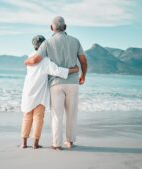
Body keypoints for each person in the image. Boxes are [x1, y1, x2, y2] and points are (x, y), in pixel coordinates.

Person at [24, 16, 88, 150]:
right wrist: (83, 75)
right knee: (72, 113)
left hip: (56, 84)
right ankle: (70, 141)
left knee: (57, 115)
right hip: (73, 82)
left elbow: (36, 60)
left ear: (51, 27)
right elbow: (83, 61)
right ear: (65, 27)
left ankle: (56, 144)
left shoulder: (47, 42)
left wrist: (26, 62)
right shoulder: (75, 41)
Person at [20, 35, 79, 149]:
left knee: (27, 116)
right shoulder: (45, 60)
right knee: (38, 117)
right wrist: (74, 70)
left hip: (28, 91)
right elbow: (57, 71)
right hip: (40, 92)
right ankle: (35, 144)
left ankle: (23, 143)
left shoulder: (30, 57)